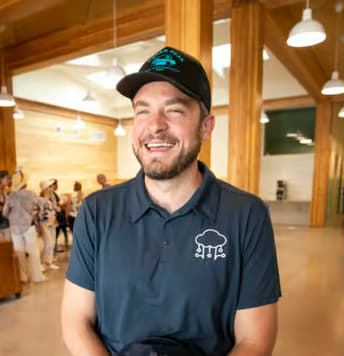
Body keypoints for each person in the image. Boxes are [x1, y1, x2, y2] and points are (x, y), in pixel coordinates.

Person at [62, 47, 281, 355]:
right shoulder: (97, 211)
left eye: (174, 110)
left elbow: (255, 339)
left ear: (206, 126)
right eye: (143, 111)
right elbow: (76, 320)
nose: (155, 125)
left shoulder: (246, 215)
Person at [3, 171, 47, 283]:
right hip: (28, 225)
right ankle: (37, 277)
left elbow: (5, 212)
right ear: (24, 183)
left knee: (19, 252)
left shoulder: (11, 195)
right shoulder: (30, 193)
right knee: (33, 251)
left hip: (14, 227)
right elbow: (41, 203)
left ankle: (23, 277)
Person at [38, 179, 59, 270]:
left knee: (52, 243)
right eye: (50, 186)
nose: (52, 188)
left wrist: (57, 209)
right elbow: (38, 213)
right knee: (48, 243)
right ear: (45, 188)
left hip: (53, 222)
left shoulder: (52, 197)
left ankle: (49, 262)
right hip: (44, 223)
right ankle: (43, 263)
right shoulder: (41, 199)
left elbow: (54, 208)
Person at [51, 179, 69, 253]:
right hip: (55, 217)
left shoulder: (54, 194)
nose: (57, 186)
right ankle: (54, 249)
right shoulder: (52, 194)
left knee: (56, 233)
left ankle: (55, 248)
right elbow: (56, 205)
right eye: (56, 185)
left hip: (57, 217)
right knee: (56, 233)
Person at [0, 170, 11, 241]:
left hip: (6, 224)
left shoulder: (5, 192)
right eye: (7, 178)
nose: (9, 180)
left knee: (7, 247)